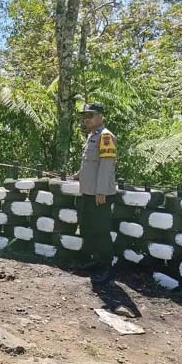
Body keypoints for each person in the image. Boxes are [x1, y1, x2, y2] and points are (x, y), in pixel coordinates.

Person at [73, 103, 117, 284]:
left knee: (101, 231)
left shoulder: (106, 137)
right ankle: (93, 261)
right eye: (85, 115)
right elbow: (90, 164)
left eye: (90, 115)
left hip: (100, 194)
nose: (87, 119)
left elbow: (106, 166)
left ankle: (106, 267)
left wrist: (101, 192)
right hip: (88, 192)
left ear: (101, 116)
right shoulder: (92, 136)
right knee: (89, 228)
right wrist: (77, 176)